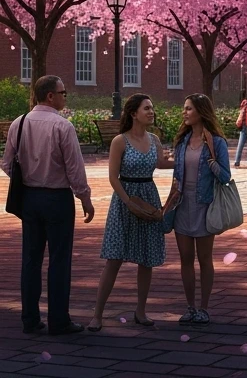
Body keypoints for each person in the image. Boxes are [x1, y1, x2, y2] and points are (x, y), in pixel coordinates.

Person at [2, 75, 94, 335]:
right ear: (50, 96)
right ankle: (58, 320)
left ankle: (29, 319)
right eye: (63, 92)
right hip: (57, 198)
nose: (66, 96)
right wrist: (84, 198)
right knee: (59, 259)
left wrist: (28, 177)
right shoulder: (62, 126)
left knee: (30, 259)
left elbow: (7, 163)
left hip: (29, 198)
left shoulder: (18, 124)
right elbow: (74, 168)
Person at [90, 94, 170, 331]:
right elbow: (113, 177)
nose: (151, 112)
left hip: (148, 196)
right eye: (147, 108)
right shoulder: (120, 141)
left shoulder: (154, 139)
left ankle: (141, 311)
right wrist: (127, 202)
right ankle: (97, 314)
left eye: (152, 108)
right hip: (125, 200)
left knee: (146, 259)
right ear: (134, 113)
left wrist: (189, 158)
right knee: (114, 258)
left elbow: (161, 164)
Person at [164, 94, 232, 326]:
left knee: (204, 258)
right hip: (182, 205)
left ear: (201, 112)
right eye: (184, 108)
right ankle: (190, 307)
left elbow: (226, 176)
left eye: (189, 109)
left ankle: (204, 307)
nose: (184, 113)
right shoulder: (182, 142)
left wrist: (213, 164)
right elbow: (176, 177)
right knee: (185, 258)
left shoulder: (216, 143)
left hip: (205, 204)